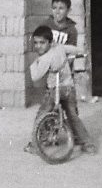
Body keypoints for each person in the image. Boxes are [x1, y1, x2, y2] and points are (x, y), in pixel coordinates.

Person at [25, 25, 96, 156]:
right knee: (73, 116)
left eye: (42, 43)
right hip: (69, 89)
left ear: (50, 43)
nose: (38, 46)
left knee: (42, 114)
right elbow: (74, 49)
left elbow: (35, 77)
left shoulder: (45, 59)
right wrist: (82, 53)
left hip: (54, 91)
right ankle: (87, 143)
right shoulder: (59, 47)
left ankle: (36, 144)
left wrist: (35, 63)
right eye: (36, 43)